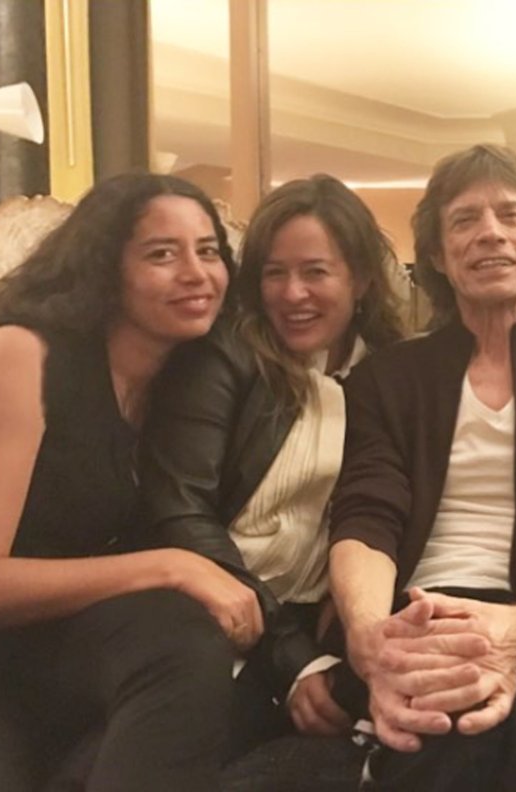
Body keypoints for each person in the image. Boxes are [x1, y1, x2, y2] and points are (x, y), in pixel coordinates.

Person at [326, 144, 516, 791]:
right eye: (465, 219)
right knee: (436, 727)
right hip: (416, 610)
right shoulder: (386, 377)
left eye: (510, 215)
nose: (490, 232)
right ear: (438, 256)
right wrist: (371, 636)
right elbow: (367, 515)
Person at [0, 173, 246, 791]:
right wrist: (172, 566)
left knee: (183, 639)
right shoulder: (22, 353)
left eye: (208, 251)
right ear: (104, 268)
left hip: (75, 649)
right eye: (162, 254)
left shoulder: (191, 377)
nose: (196, 274)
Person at [138, 174, 405, 760]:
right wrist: (291, 658)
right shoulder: (224, 355)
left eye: (316, 271)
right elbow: (179, 511)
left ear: (360, 278)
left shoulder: (392, 374)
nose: (292, 293)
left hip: (323, 624)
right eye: (274, 272)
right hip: (208, 608)